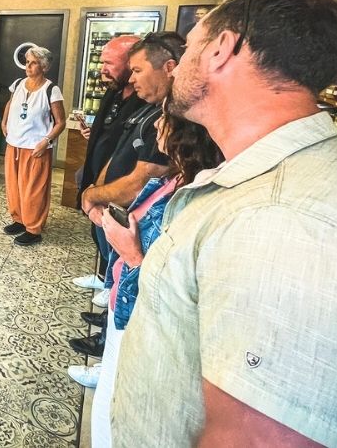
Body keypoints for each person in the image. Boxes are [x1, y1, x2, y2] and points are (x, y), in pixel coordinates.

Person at [113, 0, 337, 447]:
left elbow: (257, 438)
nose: (176, 69)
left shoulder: (287, 222)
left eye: (191, 46)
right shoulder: (261, 181)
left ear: (221, 50)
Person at [81, 96, 222, 447]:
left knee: (116, 405)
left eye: (164, 120)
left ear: (186, 135)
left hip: (141, 316)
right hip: (125, 305)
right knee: (110, 393)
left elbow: (163, 269)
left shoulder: (192, 197)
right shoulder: (174, 181)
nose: (157, 126)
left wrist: (129, 252)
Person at [72, 31, 181, 360]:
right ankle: (107, 301)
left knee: (127, 277)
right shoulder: (131, 100)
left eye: (135, 70)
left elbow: (144, 175)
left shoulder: (162, 115)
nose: (103, 68)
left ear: (169, 68)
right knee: (113, 263)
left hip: (131, 212)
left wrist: (95, 193)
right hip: (111, 203)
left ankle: (108, 343)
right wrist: (93, 190)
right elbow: (117, 151)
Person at [71, 35, 142, 302]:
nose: (103, 70)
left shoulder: (144, 99)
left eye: (110, 64)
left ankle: (112, 286)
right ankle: (102, 277)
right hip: (96, 174)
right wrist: (94, 132)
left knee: (114, 233)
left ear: (130, 63)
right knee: (98, 232)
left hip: (118, 183)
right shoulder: (113, 91)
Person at [0, 45, 66, 245]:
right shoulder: (19, 83)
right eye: (27, 62)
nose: (28, 66)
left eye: (34, 63)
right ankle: (19, 219)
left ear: (44, 66)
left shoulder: (51, 90)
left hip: (36, 148)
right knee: (14, 186)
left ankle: (34, 228)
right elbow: (10, 104)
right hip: (15, 144)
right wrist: (4, 122)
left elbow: (60, 122)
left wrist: (45, 141)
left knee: (33, 189)